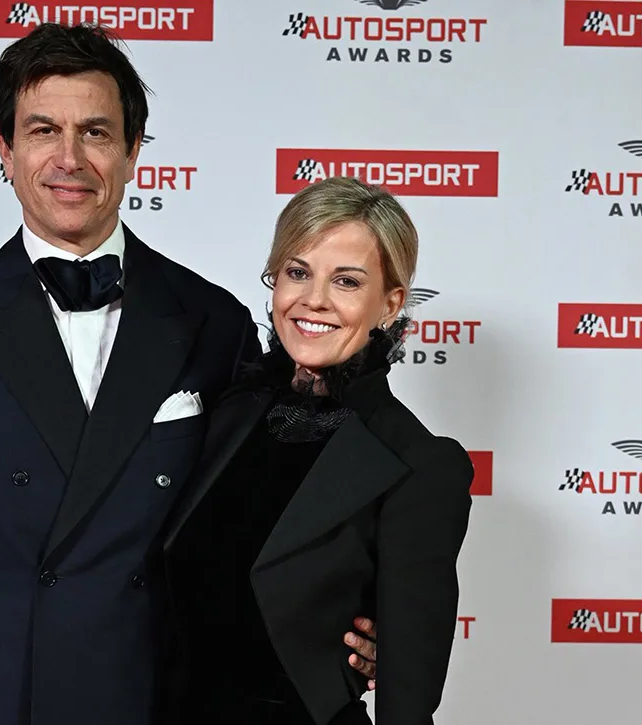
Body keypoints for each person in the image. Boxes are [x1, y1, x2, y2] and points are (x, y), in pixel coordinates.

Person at [0, 23, 379, 725]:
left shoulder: (212, 319)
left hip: (156, 695)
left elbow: (267, 522)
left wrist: (359, 615)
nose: (69, 159)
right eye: (42, 131)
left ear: (132, 151)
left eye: (95, 132)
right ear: (5, 149)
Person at [161, 176, 475, 724]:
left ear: (390, 304)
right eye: (298, 272)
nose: (314, 300)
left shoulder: (419, 464)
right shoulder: (229, 411)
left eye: (347, 281)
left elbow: (407, 699)